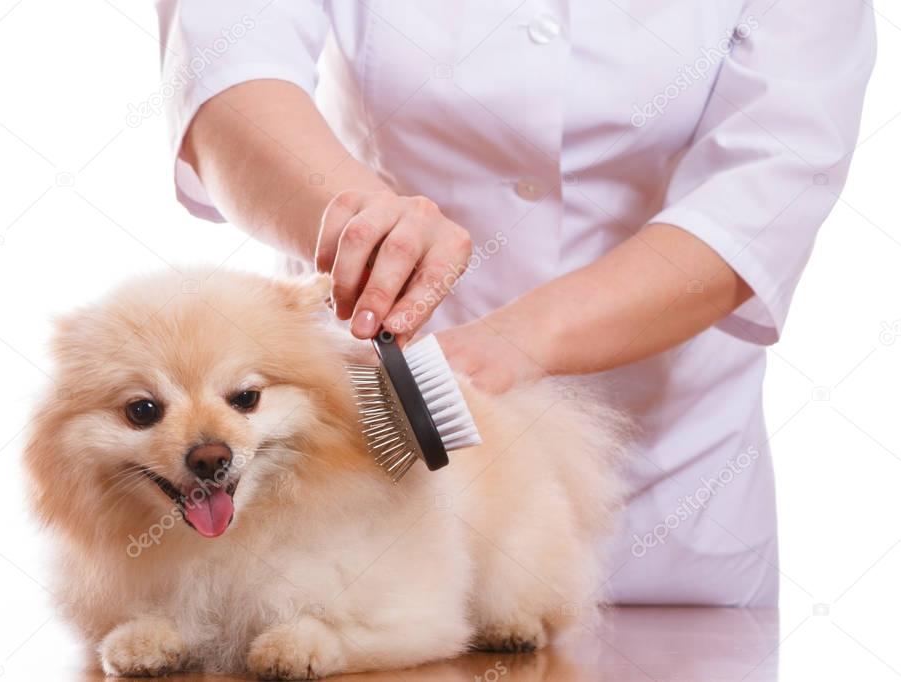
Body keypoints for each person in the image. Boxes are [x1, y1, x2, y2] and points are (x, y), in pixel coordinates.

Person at [155, 0, 875, 606]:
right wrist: (363, 228)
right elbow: (229, 74)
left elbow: (767, 183)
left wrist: (520, 340)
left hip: (668, 503)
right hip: (370, 496)